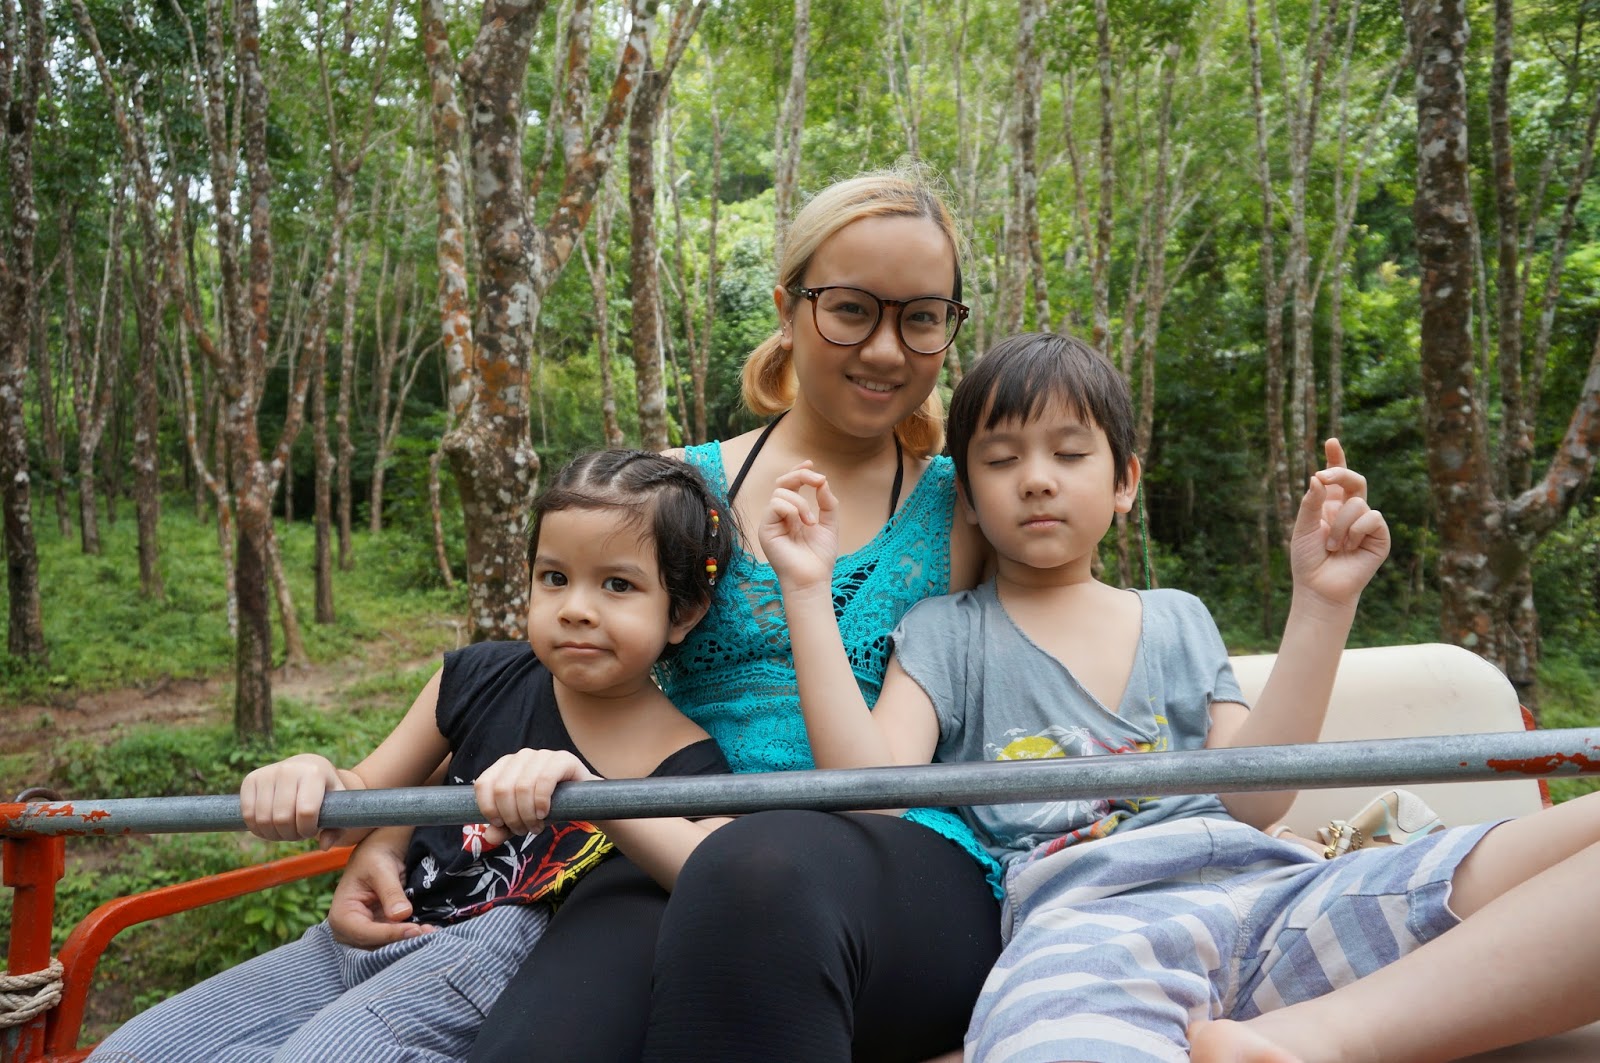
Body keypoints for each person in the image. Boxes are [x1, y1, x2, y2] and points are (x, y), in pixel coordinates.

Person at [763, 330, 1600, 1062]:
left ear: (1124, 480)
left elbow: (1254, 797)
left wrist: (1322, 603)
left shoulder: (1177, 618)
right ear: (969, 499)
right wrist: (807, 589)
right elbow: (872, 789)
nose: (1037, 480)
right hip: (1092, 926)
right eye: (1003, 459)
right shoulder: (946, 632)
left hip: (1276, 894)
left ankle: (1309, 1036)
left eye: (1070, 453)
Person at [469, 166, 1004, 1063]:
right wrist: (394, 827)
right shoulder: (678, 489)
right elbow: (564, 653)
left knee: (760, 870)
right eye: (851, 309)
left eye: (920, 318)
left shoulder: (968, 504)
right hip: (676, 839)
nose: (885, 349)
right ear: (787, 308)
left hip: (907, 862)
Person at [89, 449, 735, 1063]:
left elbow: (713, 875)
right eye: (554, 577)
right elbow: (363, 789)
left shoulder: (685, 757)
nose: (575, 610)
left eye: (618, 584)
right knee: (132, 1049)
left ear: (682, 612)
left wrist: (590, 792)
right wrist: (310, 774)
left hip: (489, 948)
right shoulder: (478, 677)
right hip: (362, 934)